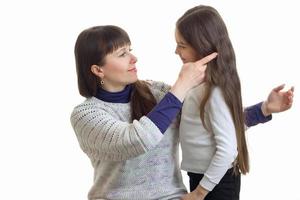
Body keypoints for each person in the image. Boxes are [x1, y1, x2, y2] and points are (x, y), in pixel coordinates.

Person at [70, 25, 293, 200]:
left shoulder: (155, 92)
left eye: (131, 49)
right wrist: (182, 85)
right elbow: (137, 140)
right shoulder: (86, 115)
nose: (133, 58)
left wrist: (263, 109)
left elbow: (207, 123)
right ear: (98, 70)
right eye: (121, 54)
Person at [175, 5, 294, 200]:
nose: (176, 51)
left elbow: (228, 149)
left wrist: (200, 192)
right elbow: (226, 126)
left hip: (214, 183)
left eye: (182, 45)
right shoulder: (201, 86)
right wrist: (264, 108)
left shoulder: (213, 91)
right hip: (205, 178)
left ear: (202, 45)